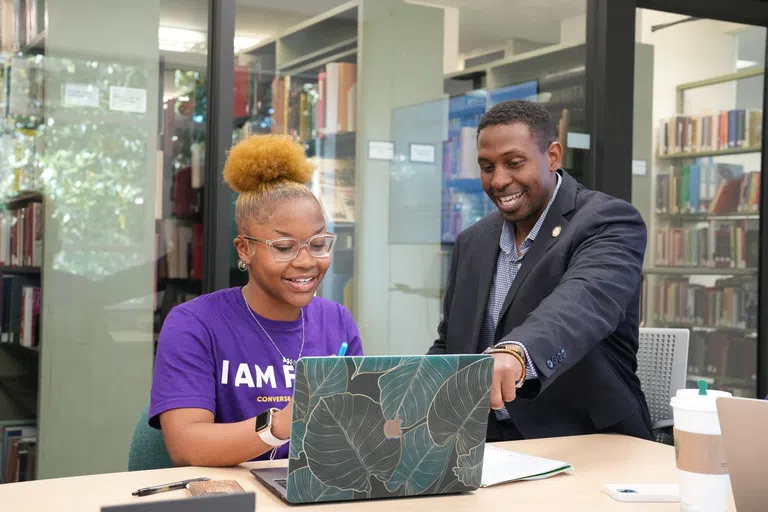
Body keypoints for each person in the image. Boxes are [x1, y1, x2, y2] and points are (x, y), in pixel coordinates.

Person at [429, 100, 652, 441]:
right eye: (487, 167)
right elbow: (450, 344)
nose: (499, 180)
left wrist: (516, 352)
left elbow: (581, 304)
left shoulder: (609, 222)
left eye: (514, 163)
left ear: (552, 156)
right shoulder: (472, 241)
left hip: (581, 441)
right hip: (482, 442)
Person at [149, 134, 364, 466]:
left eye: (318, 243)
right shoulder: (195, 324)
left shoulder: (338, 322)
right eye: (284, 247)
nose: (307, 261)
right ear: (244, 249)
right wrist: (281, 423)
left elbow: (356, 434)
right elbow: (186, 444)